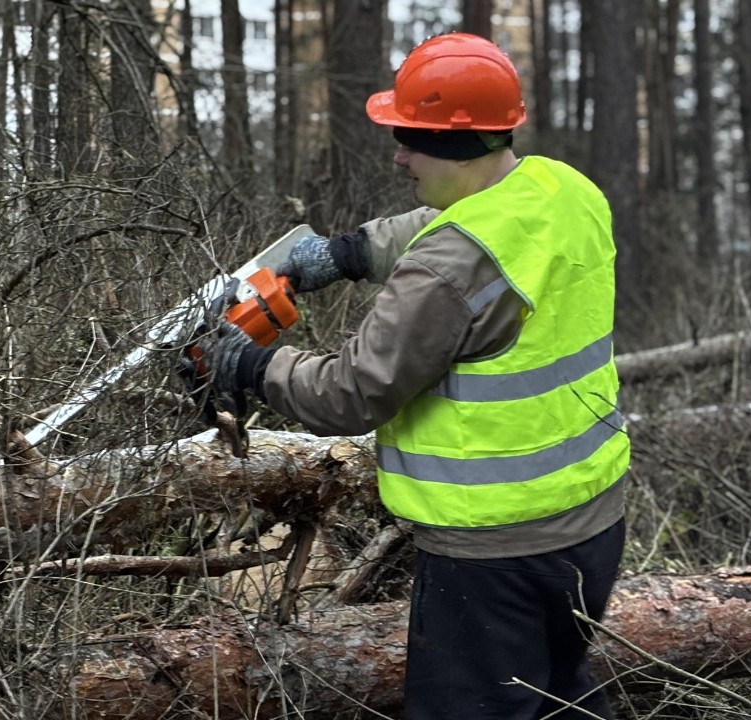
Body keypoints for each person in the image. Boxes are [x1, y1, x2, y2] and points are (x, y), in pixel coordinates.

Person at [202, 32, 629, 720]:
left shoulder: (442, 275)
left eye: (409, 138)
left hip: (494, 551)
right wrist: (345, 253)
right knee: (553, 692)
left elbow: (351, 392)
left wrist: (250, 364)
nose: (398, 154)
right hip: (593, 522)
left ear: (456, 146)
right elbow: (463, 220)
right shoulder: (562, 189)